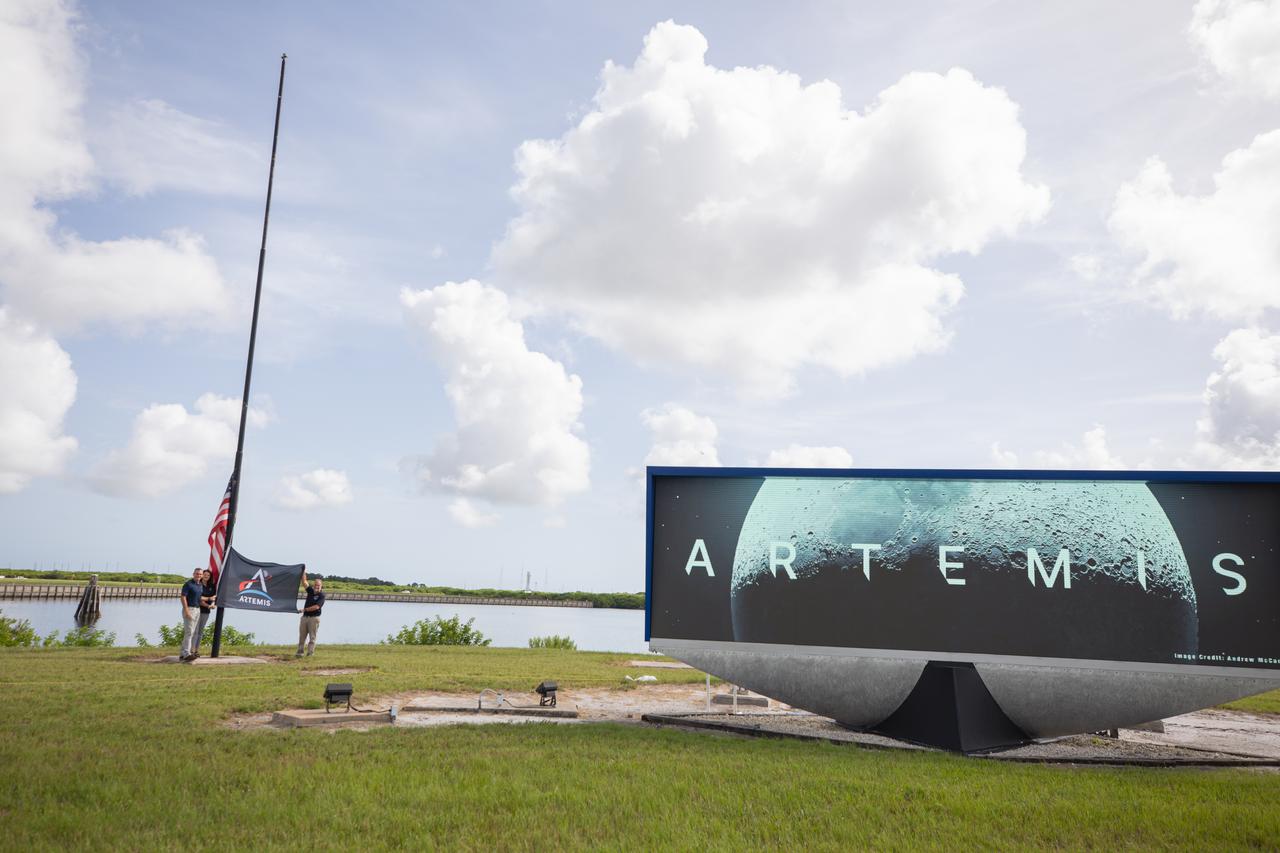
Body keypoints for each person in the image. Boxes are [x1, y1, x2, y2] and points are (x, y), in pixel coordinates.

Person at [296, 569, 324, 658]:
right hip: (305, 618)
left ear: (321, 586)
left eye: (318, 585)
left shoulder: (321, 596)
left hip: (314, 618)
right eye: (315, 585)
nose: (317, 586)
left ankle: (310, 653)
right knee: (302, 636)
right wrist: (303, 571)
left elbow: (316, 607)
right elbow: (304, 582)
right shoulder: (310, 591)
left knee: (312, 637)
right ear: (314, 585)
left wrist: (304, 610)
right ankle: (300, 652)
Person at [179, 568, 204, 661]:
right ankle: (186, 653)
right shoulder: (188, 584)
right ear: (193, 574)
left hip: (197, 610)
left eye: (200, 574)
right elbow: (183, 597)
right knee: (189, 632)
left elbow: (199, 598)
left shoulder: (200, 585)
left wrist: (210, 600)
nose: (199, 576)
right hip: (190, 609)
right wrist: (186, 610)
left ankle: (182, 653)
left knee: (192, 632)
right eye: (197, 574)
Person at [192, 569, 216, 656]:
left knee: (200, 632)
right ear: (202, 575)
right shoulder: (199, 585)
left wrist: (212, 604)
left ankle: (196, 650)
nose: (206, 576)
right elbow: (198, 598)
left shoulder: (211, 586)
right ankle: (192, 650)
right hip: (197, 609)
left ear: (210, 577)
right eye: (205, 575)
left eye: (208, 575)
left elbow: (214, 597)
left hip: (206, 612)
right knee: (195, 631)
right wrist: (208, 605)